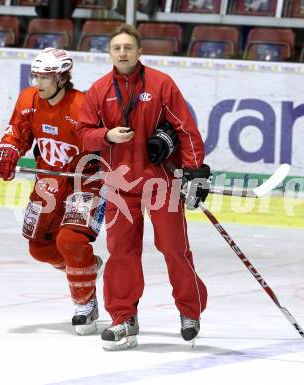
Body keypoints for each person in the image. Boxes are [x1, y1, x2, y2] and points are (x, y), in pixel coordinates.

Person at [76, 24, 211, 350]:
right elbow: (82, 133)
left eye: (128, 47)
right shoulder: (99, 89)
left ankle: (190, 311)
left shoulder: (161, 84)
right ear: (110, 53)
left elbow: (186, 130)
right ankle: (123, 319)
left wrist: (195, 171)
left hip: (161, 181)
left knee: (173, 248)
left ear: (139, 52)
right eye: (116, 48)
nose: (122, 52)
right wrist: (105, 136)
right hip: (121, 183)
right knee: (121, 252)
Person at [0, 48, 106, 335]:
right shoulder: (28, 99)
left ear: (63, 78)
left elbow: (105, 145)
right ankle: (86, 267)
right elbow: (18, 133)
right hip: (48, 180)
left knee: (70, 240)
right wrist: (10, 147)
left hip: (85, 181)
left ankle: (85, 305)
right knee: (39, 248)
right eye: (37, 76)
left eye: (47, 77)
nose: (39, 82)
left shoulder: (83, 105)